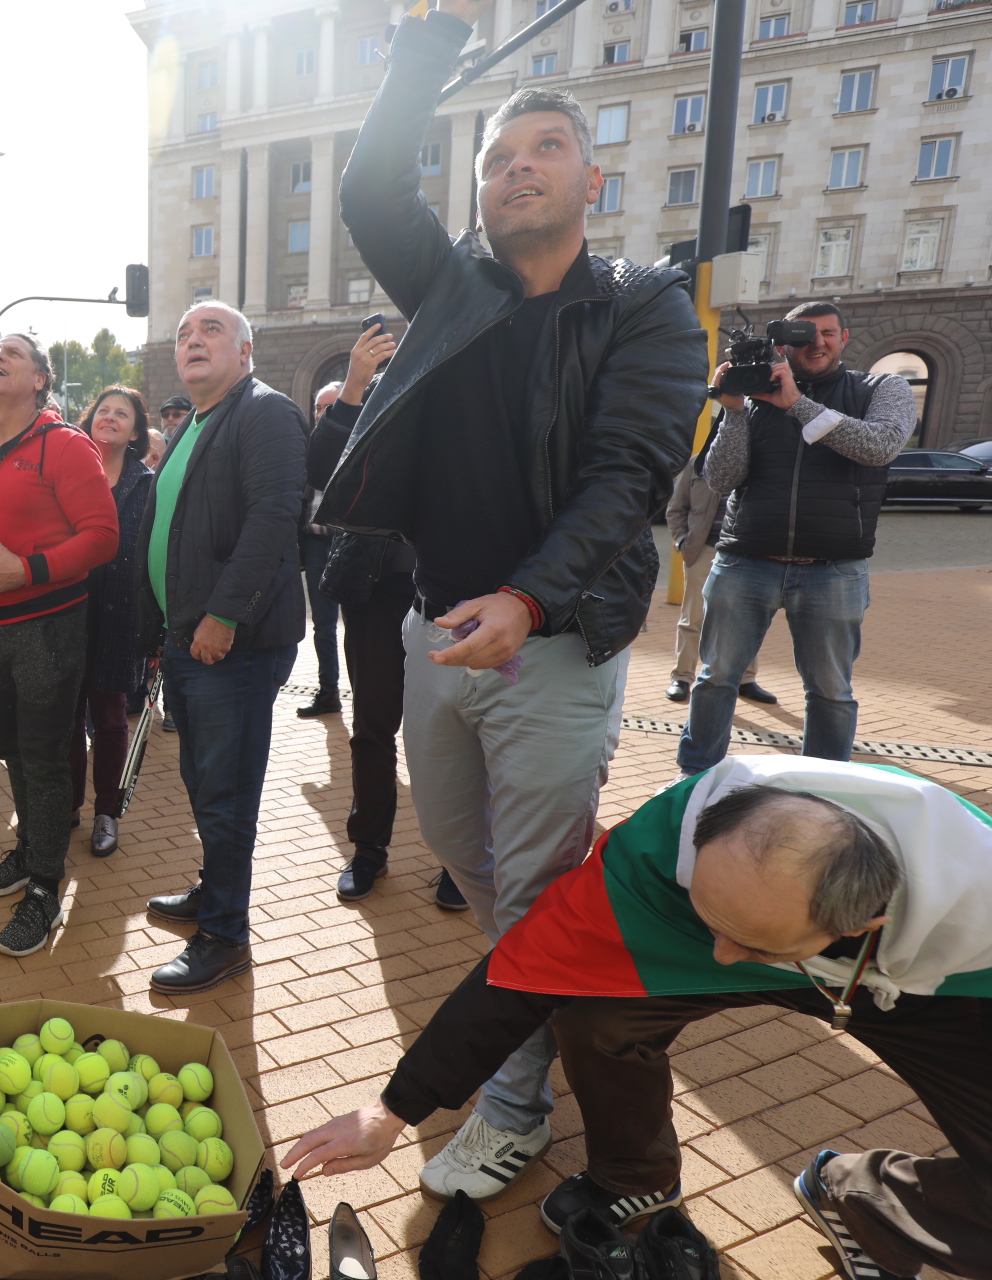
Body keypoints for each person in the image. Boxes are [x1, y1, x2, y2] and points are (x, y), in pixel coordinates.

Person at [316, 0, 704, 1201]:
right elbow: (372, 188)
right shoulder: (454, 288)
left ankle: (515, 1106)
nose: (514, 168)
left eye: (541, 149)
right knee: (459, 854)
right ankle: (527, 979)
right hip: (435, 627)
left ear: (591, 178)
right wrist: (422, 48)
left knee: (530, 888)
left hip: (556, 640)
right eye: (495, 158)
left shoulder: (643, 304)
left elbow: (625, 479)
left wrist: (529, 604)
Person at [285, 758, 992, 1280]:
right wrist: (391, 1110)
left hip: (945, 987)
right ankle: (635, 1176)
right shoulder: (659, 850)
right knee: (597, 1016)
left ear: (866, 923)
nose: (722, 957)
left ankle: (862, 1198)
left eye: (747, 944)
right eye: (710, 917)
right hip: (760, 926)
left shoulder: (979, 901)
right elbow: (520, 972)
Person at [139, 303, 306, 994]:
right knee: (204, 786)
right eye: (183, 335)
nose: (192, 341)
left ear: (246, 351)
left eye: (210, 331)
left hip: (228, 646)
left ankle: (226, 935)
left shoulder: (263, 412)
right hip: (187, 642)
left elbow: (273, 519)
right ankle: (214, 892)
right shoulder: (193, 423)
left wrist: (223, 615)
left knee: (227, 792)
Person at [0, 333, 119, 957]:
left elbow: (102, 537)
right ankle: (31, 850)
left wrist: (30, 571)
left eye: (13, 352)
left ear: (40, 378)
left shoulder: (67, 447)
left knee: (43, 757)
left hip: (48, 628)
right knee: (9, 747)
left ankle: (45, 883)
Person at [677, 302, 916, 775]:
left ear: (843, 338)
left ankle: (824, 789)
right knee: (715, 679)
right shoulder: (756, 397)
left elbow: (880, 446)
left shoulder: (880, 387)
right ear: (784, 344)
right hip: (744, 561)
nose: (818, 343)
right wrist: (735, 412)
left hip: (834, 568)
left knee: (830, 692)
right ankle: (693, 779)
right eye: (806, 337)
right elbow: (721, 479)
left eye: (828, 333)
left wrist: (798, 405)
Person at [303, 323, 452, 909]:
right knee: (372, 726)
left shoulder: (459, 402)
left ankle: (459, 860)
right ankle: (368, 850)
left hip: (450, 590)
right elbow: (318, 468)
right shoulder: (374, 399)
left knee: (449, 733)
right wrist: (355, 387)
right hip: (373, 587)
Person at [69, 386, 155, 858]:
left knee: (110, 717)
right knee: (66, 716)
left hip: (121, 616)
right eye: (103, 410)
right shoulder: (69, 469)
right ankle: (68, 805)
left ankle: (107, 811)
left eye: (122, 413)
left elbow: (154, 555)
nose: (110, 418)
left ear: (137, 430)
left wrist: (155, 623)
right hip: (66, 611)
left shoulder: (148, 482)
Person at [664, 448, 771, 705]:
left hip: (747, 553)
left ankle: (745, 680)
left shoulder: (761, 460)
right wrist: (682, 541)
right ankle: (682, 677)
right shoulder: (698, 464)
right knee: (693, 618)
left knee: (747, 619)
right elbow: (676, 507)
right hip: (704, 550)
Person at [294, 382, 348, 719]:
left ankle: (370, 694)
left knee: (358, 625)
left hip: (350, 543)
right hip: (315, 543)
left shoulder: (358, 440)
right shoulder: (307, 446)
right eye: (318, 408)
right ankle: (329, 691)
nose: (322, 414)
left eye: (331, 407)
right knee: (323, 624)